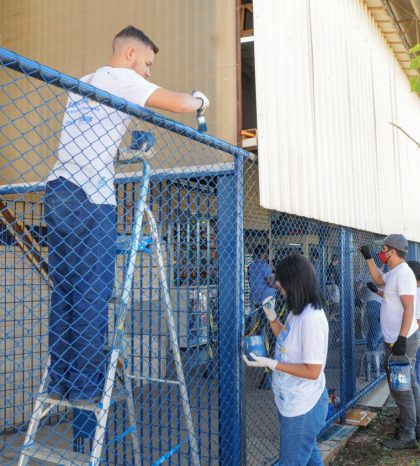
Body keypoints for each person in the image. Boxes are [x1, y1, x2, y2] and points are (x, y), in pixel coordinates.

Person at [44, 26, 210, 401]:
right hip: (92, 198)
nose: (149, 72)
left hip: (59, 189)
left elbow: (88, 141)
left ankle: (59, 379)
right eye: (148, 63)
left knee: (65, 291)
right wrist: (201, 101)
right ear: (131, 54)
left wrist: (119, 155)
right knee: (92, 293)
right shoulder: (124, 79)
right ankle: (85, 386)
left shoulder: (86, 81)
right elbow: (181, 104)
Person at [242, 253, 329, 466]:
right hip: (291, 400)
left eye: (280, 279)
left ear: (293, 281)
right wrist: (272, 318)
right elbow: (286, 335)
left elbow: (313, 370)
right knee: (309, 459)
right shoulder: (296, 311)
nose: (277, 283)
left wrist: (272, 364)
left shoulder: (311, 318)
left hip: (304, 405)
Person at [360, 234, 420, 449]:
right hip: (397, 339)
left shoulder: (404, 274)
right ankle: (418, 428)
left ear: (392, 251)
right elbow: (380, 280)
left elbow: (409, 308)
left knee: (401, 388)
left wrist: (400, 337)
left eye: (384, 249)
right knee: (410, 386)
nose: (382, 252)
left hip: (402, 341)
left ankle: (408, 435)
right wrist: (368, 258)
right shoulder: (396, 272)